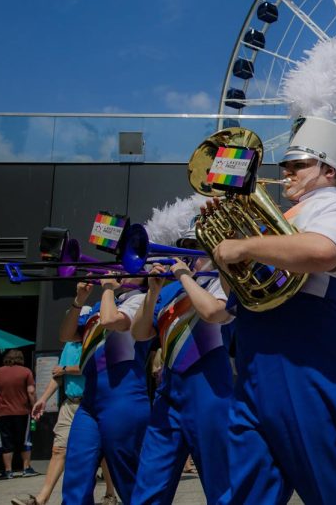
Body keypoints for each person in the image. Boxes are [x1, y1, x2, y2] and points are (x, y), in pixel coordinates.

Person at [208, 112, 336, 504]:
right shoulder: (275, 217)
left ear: (329, 171)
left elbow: (323, 251)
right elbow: (236, 290)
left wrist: (245, 245)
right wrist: (225, 250)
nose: (286, 172)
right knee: (247, 492)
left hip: (314, 366)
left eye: (299, 165)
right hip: (256, 364)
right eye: (285, 164)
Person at [129, 200, 234, 505]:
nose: (189, 252)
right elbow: (139, 333)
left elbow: (214, 313)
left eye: (196, 246)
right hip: (169, 394)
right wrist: (152, 291)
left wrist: (185, 277)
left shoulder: (220, 283)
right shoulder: (171, 289)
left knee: (222, 485)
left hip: (210, 393)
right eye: (184, 245)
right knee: (149, 484)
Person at [58, 275, 150, 505]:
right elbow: (66, 336)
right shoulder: (99, 306)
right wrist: (79, 300)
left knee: (129, 476)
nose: (120, 270)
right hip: (90, 402)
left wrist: (107, 287)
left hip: (123, 397)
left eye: (130, 268)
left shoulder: (142, 300)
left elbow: (110, 321)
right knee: (76, 472)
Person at [14, 336, 119, 505]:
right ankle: (42, 499)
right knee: (58, 450)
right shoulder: (69, 345)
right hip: (70, 404)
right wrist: (43, 399)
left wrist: (64, 369)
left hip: (93, 404)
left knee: (103, 453)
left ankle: (110, 494)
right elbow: (58, 376)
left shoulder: (99, 339)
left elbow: (90, 367)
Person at [0, 349, 37, 479]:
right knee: (25, 440)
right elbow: (31, 391)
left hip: (3, 412)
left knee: (6, 441)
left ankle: (8, 471)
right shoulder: (26, 371)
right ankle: (26, 468)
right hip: (23, 411)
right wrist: (34, 406)